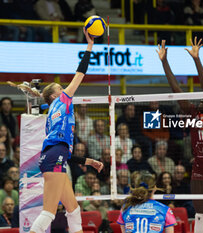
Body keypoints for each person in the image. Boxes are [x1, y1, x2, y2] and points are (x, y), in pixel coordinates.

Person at [30, 28, 104, 233]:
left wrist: (89, 162)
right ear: (55, 96)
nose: (64, 89)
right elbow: (80, 73)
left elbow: (64, 150)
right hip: (54, 157)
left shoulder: (51, 116)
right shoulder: (62, 101)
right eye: (60, 88)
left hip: (56, 156)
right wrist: (90, 45)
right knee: (49, 212)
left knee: (73, 210)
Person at [157, 38, 203, 233]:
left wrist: (197, 59)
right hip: (199, 167)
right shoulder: (192, 114)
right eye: (200, 99)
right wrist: (164, 61)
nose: (202, 99)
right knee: (200, 215)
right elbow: (176, 90)